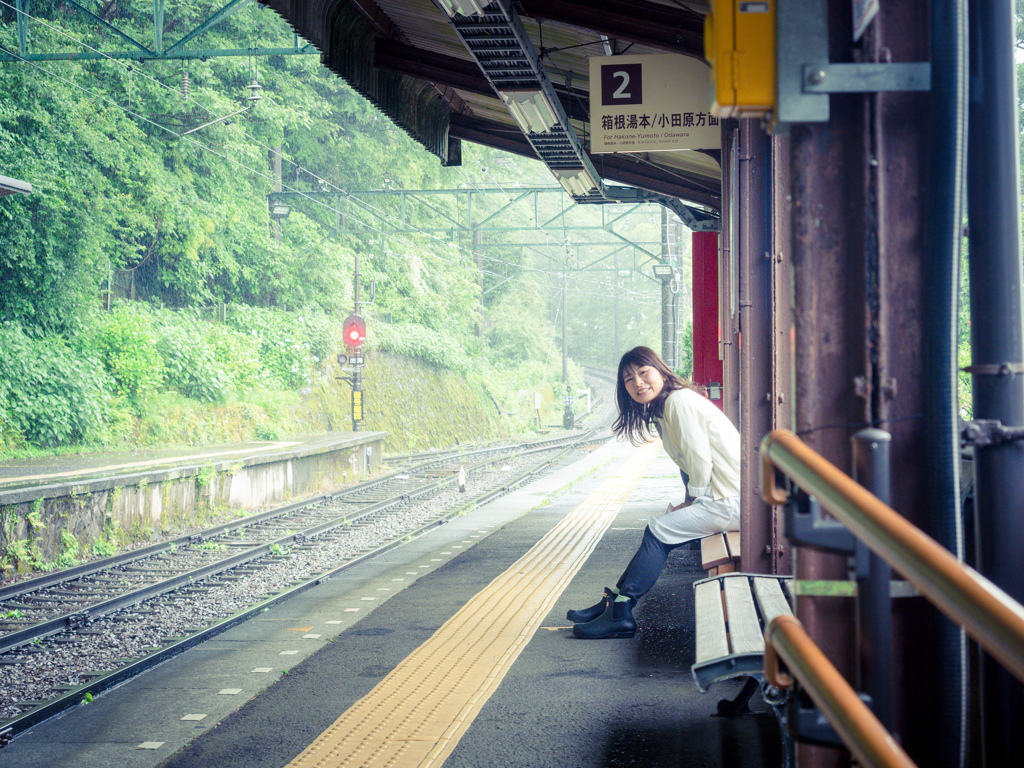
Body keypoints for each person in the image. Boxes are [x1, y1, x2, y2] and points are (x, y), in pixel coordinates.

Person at [569, 346, 741, 639]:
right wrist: (691, 500)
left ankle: (622, 613)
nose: (637, 382)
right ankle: (613, 603)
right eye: (628, 379)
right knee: (662, 526)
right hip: (726, 496)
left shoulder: (679, 402)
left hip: (732, 500)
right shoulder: (666, 407)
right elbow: (689, 462)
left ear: (660, 371)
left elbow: (699, 458)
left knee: (658, 530)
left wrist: (695, 500)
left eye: (643, 372)